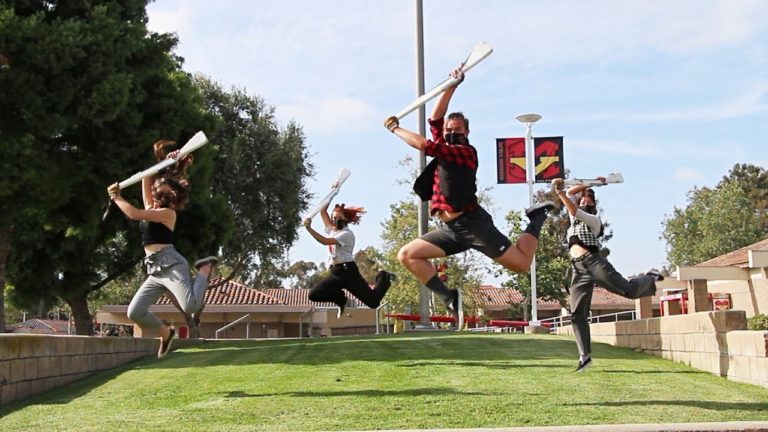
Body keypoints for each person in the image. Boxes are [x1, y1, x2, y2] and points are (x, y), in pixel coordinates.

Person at [384, 65, 554, 329]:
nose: (452, 133)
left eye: (458, 130)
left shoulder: (464, 152)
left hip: (475, 226)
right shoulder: (446, 146)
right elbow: (435, 119)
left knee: (521, 264)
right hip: (451, 229)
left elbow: (423, 145)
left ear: (467, 133)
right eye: (450, 130)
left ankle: (537, 217)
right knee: (408, 255)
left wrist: (395, 129)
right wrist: (452, 85)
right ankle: (450, 298)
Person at [107, 149, 218, 358]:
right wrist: (163, 162)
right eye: (158, 193)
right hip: (155, 269)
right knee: (134, 312)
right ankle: (165, 333)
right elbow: (145, 177)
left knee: (190, 306)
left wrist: (116, 197)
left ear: (172, 199)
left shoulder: (167, 214)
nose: (158, 197)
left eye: (164, 195)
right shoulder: (152, 206)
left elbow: (133, 214)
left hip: (172, 264)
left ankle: (204, 269)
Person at [551, 177, 663, 372]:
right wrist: (593, 183)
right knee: (577, 313)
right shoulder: (574, 220)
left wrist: (559, 192)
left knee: (628, 291)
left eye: (590, 201)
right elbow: (571, 195)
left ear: (594, 206)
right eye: (583, 199)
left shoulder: (594, 221)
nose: (586, 201)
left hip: (595, 263)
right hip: (578, 269)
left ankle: (650, 277)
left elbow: (570, 205)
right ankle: (584, 356)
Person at [303, 200, 395, 318]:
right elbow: (323, 211)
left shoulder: (347, 234)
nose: (336, 220)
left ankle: (383, 276)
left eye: (339, 218)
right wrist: (333, 193)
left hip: (349, 273)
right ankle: (340, 299)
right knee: (314, 295)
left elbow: (324, 241)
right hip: (336, 273)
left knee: (373, 303)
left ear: (346, 219)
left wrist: (309, 228)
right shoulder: (332, 230)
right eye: (334, 218)